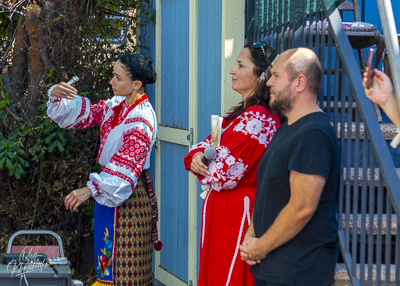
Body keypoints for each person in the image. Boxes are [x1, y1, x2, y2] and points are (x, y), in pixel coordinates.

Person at [47, 53, 161, 286]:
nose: (111, 82)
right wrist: (58, 97)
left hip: (127, 196)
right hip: (108, 191)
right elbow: (85, 114)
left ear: (136, 85)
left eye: (117, 78)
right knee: (107, 266)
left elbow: (126, 166)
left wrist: (90, 189)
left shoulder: (142, 118)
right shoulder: (116, 105)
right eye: (112, 75)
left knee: (125, 273)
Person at [240, 48, 340, 286]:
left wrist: (260, 247)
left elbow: (302, 207)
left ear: (300, 83)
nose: (269, 84)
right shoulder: (287, 128)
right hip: (273, 267)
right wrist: (252, 234)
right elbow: (271, 192)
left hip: (298, 271)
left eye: (275, 76)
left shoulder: (313, 133)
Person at [184, 42, 281, 286]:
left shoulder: (258, 119)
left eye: (240, 65)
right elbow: (200, 149)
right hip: (226, 210)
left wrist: (203, 158)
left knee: (229, 275)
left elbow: (220, 172)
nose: (231, 70)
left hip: (239, 211)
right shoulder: (237, 116)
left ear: (261, 76)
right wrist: (198, 157)